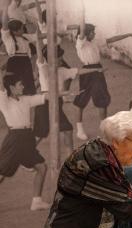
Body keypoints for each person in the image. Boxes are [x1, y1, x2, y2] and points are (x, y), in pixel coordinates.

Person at [72, 0, 132, 140]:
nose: (95, 34)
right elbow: (82, 29)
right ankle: (79, 129)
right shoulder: (81, 43)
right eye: (93, 32)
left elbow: (112, 39)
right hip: (87, 71)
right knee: (81, 100)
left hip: (98, 70)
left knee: (102, 98)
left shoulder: (94, 42)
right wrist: (82, 12)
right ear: (87, 33)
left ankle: (104, 127)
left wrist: (128, 34)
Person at [34, 23, 103, 155]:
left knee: (68, 129)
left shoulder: (62, 70)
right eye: (59, 57)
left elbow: (79, 71)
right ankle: (27, 152)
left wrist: (97, 69)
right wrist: (38, 41)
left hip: (57, 104)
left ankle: (71, 157)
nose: (61, 58)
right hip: (44, 104)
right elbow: (40, 55)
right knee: (40, 135)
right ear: (52, 59)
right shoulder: (44, 68)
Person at [0, 69, 49, 210]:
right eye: (20, 84)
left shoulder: (25, 100)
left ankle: (36, 202)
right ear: (12, 87)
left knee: (41, 167)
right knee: (2, 173)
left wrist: (64, 95)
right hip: (15, 140)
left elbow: (44, 97)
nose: (22, 87)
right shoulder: (4, 102)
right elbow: (1, 88)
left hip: (27, 138)